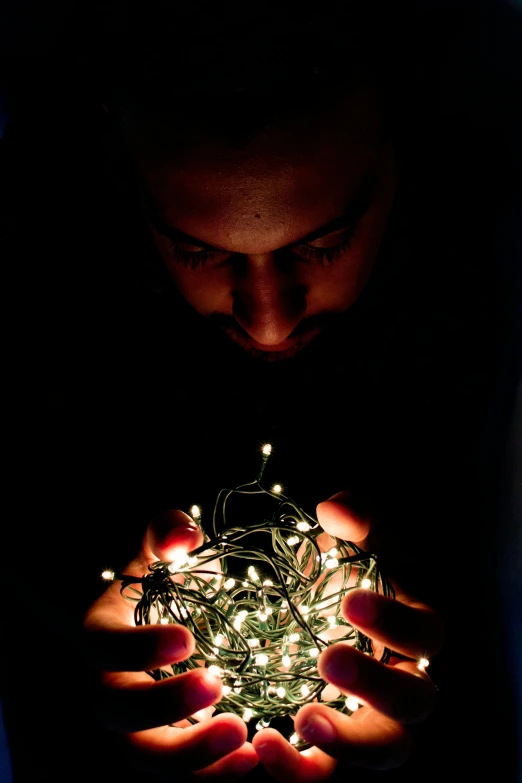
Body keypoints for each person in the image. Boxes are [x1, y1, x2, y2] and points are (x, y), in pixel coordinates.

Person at [1, 0, 520, 781]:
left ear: (403, 149)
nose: (269, 322)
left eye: (324, 242)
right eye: (199, 251)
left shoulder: (496, 301)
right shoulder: (31, 329)